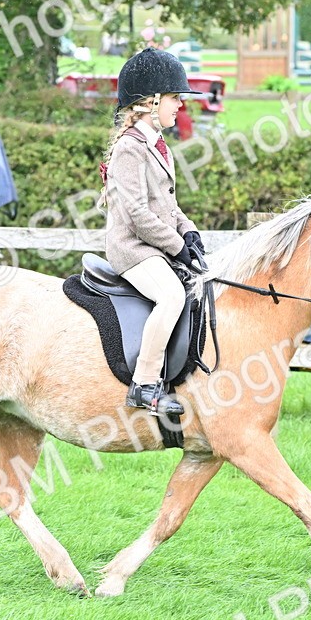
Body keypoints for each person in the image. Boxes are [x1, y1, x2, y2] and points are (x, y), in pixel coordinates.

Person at [100, 48, 202, 416]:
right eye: (176, 98)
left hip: (154, 246)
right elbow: (137, 214)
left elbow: (169, 206)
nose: (180, 106)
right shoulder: (129, 148)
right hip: (132, 249)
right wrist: (176, 247)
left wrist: (189, 232)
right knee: (172, 295)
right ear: (152, 100)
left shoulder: (160, 147)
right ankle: (143, 385)